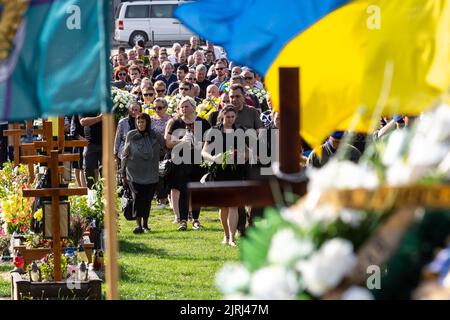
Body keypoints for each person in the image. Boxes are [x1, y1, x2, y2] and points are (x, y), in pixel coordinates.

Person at [202, 106, 248, 246]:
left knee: (234, 205)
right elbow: (204, 152)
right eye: (228, 117)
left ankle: (232, 238)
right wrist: (214, 158)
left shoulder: (240, 131)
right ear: (222, 117)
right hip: (219, 171)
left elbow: (247, 152)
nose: (230, 120)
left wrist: (242, 156)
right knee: (224, 207)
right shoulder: (214, 131)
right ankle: (226, 235)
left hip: (236, 171)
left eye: (232, 117)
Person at [165, 97, 211, 231]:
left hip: (198, 161)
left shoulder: (202, 122)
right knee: (183, 190)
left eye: (186, 106)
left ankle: (195, 219)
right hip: (181, 161)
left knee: (196, 190)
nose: (184, 109)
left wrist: (197, 144)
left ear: (193, 107)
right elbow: (168, 142)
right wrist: (182, 142)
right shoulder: (176, 122)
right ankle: (183, 220)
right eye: (181, 107)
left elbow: (210, 141)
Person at [121, 113, 165, 234]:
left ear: (147, 123)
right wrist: (122, 173)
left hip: (151, 173)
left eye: (143, 122)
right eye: (138, 122)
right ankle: (138, 225)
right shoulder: (131, 135)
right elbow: (124, 154)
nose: (140, 124)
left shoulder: (154, 135)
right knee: (137, 198)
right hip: (134, 173)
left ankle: (146, 224)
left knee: (147, 199)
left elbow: (165, 146)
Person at [151, 98, 172, 209]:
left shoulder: (171, 119)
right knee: (158, 176)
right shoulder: (151, 120)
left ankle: (169, 198)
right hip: (155, 152)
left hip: (168, 151)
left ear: (165, 108)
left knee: (167, 175)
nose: (157, 110)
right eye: (155, 108)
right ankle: (161, 200)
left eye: (159, 108)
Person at [114, 102, 142, 169]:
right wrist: (115, 154)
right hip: (124, 151)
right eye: (132, 109)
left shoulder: (143, 121)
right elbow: (118, 138)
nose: (133, 112)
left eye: (136, 110)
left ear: (140, 111)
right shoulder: (123, 122)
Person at [80, 113, 103, 189]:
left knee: (105, 170)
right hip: (90, 144)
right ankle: (91, 192)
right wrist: (99, 118)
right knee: (88, 169)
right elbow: (83, 122)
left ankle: (105, 193)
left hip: (105, 143)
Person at [70, 115, 87, 188]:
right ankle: (81, 187)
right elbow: (74, 132)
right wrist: (84, 140)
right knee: (79, 167)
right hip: (80, 143)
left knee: (81, 167)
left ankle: (83, 187)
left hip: (89, 141)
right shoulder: (76, 114)